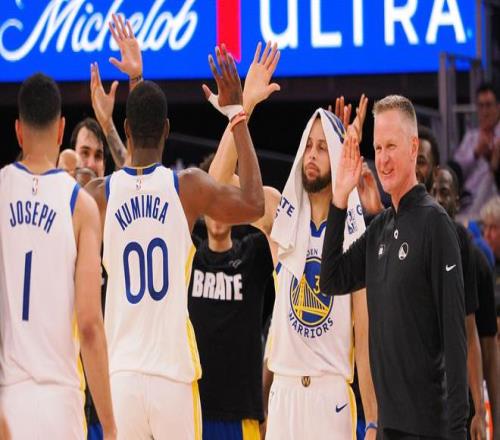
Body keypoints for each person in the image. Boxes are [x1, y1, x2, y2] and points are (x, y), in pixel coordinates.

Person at [85, 44, 265, 439]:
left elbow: (126, 179)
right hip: (171, 375)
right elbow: (255, 203)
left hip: (121, 376)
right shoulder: (187, 188)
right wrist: (237, 113)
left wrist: (134, 83)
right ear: (167, 129)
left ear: (126, 129)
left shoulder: (99, 195)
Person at [207, 45, 377, 438]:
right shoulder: (278, 213)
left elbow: (366, 338)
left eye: (323, 147)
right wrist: (243, 107)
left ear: (339, 157)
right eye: (309, 145)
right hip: (283, 393)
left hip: (332, 396)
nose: (312, 155)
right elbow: (216, 185)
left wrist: (372, 420)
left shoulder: (356, 235)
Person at [321, 95, 468, 439]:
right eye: (377, 148)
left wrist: (459, 430)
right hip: (388, 426)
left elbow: (455, 338)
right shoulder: (379, 230)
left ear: (413, 147)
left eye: (391, 146)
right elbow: (330, 278)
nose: (383, 159)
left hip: (430, 429)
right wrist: (339, 198)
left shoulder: (436, 225)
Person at [0, 73, 116, 439]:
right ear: (61, 129)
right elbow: (90, 325)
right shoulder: (80, 205)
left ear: (18, 131)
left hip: (8, 398)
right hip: (60, 403)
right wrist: (110, 426)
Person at [188, 156, 275, 440]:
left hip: (242, 416)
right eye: (211, 200)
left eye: (224, 199)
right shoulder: (187, 255)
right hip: (191, 410)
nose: (218, 210)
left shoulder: (253, 254)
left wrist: (235, 185)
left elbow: (276, 214)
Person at [454, 83, 500, 219]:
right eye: (481, 106)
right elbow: (455, 172)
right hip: (466, 204)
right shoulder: (470, 137)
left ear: (498, 107)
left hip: (494, 205)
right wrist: (475, 153)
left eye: (488, 105)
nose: (484, 111)